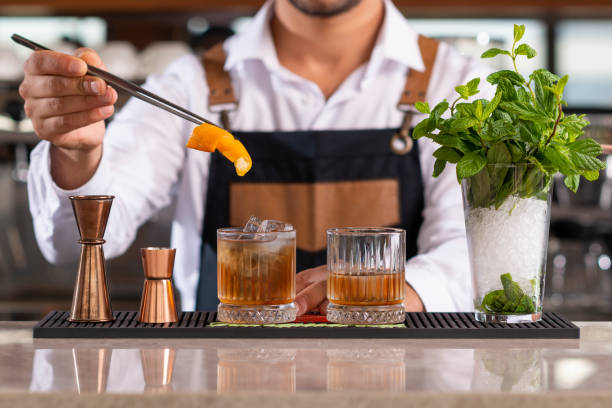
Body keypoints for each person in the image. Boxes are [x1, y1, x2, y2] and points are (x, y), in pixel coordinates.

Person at [21, 0, 491, 314]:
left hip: (405, 386)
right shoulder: (189, 84)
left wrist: (394, 288)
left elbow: (474, 250)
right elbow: (69, 244)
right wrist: (76, 153)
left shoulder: (458, 85)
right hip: (220, 384)